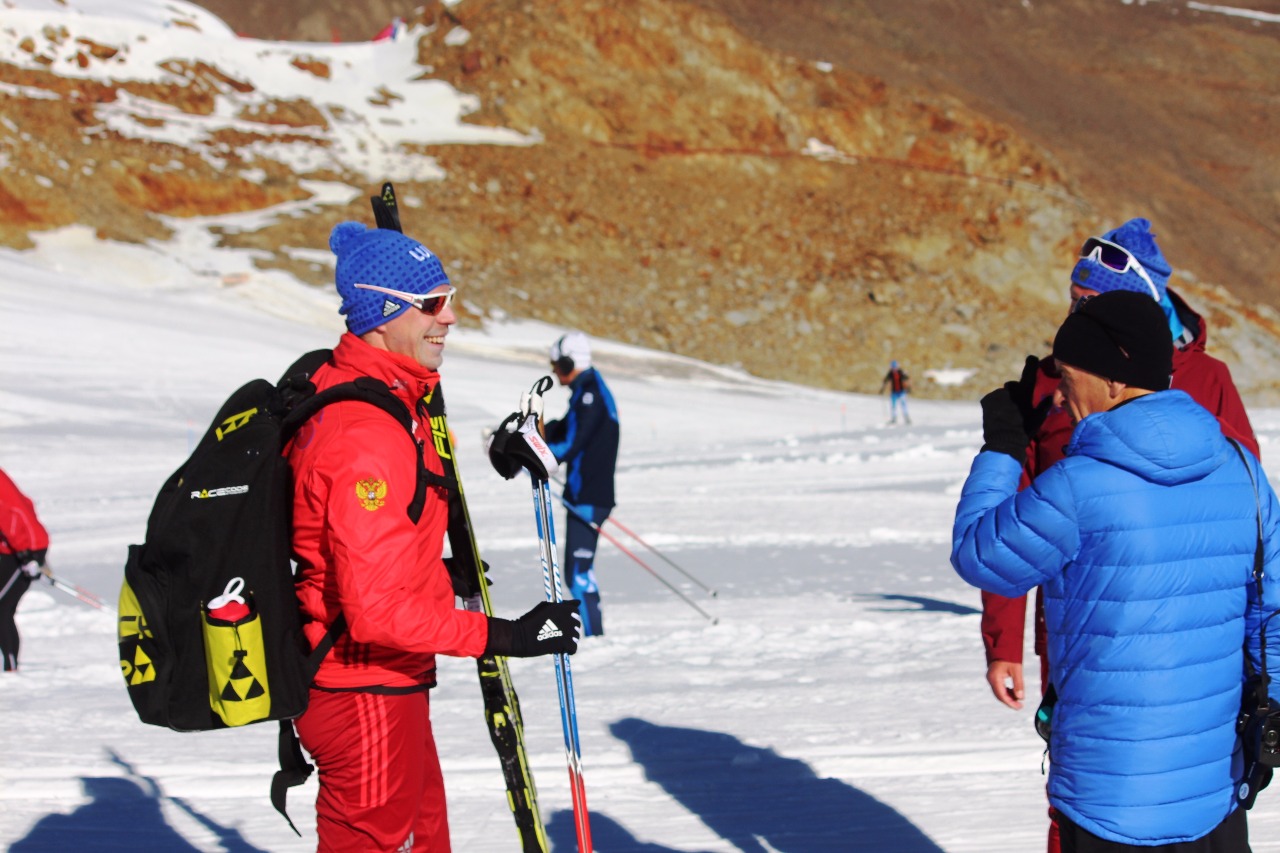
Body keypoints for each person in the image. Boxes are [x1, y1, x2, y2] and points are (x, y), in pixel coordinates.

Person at [285, 221, 581, 853]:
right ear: (381, 312)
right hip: (358, 685)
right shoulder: (365, 433)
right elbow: (376, 612)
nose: (449, 318)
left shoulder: (379, 396)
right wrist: (505, 636)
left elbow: (353, 548)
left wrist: (436, 573)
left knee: (426, 838)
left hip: (385, 681)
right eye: (430, 305)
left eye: (449, 299)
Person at [952, 290, 1277, 851]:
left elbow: (982, 556)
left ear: (1111, 381)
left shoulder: (1078, 484)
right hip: (1214, 789)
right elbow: (1271, 616)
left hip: (1108, 799)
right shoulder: (1242, 470)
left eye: (1067, 375)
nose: (1058, 391)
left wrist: (1004, 445)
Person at [544, 331, 620, 637]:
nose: (553, 371)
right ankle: (592, 635)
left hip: (588, 496)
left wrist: (544, 458)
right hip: (583, 494)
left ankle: (594, 638)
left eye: (556, 365)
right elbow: (566, 428)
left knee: (578, 573)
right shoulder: (586, 392)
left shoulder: (589, 394)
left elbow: (575, 441)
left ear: (568, 362)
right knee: (576, 571)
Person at [0, 467, 49, 673]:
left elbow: (16, 514)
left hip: (26, 548)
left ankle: (11, 669)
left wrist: (27, 554)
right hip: (10, 549)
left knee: (1, 609)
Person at [879, 360, 911, 424]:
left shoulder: (901, 372)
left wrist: (908, 388)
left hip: (901, 391)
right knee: (893, 406)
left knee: (903, 404)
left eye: (895, 367)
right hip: (894, 392)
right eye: (893, 367)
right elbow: (886, 380)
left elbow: (906, 379)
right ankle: (894, 418)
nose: (894, 369)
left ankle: (906, 418)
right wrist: (882, 389)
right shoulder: (890, 373)